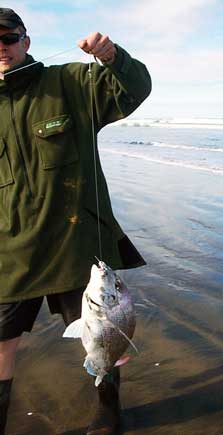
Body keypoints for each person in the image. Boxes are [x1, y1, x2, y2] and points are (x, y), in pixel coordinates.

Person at [0, 7, 151, 435]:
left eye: (8, 38)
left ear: (25, 41)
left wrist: (111, 57)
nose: (2, 47)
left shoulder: (70, 82)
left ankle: (108, 410)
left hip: (76, 243)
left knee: (106, 330)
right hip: (10, 248)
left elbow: (133, 89)